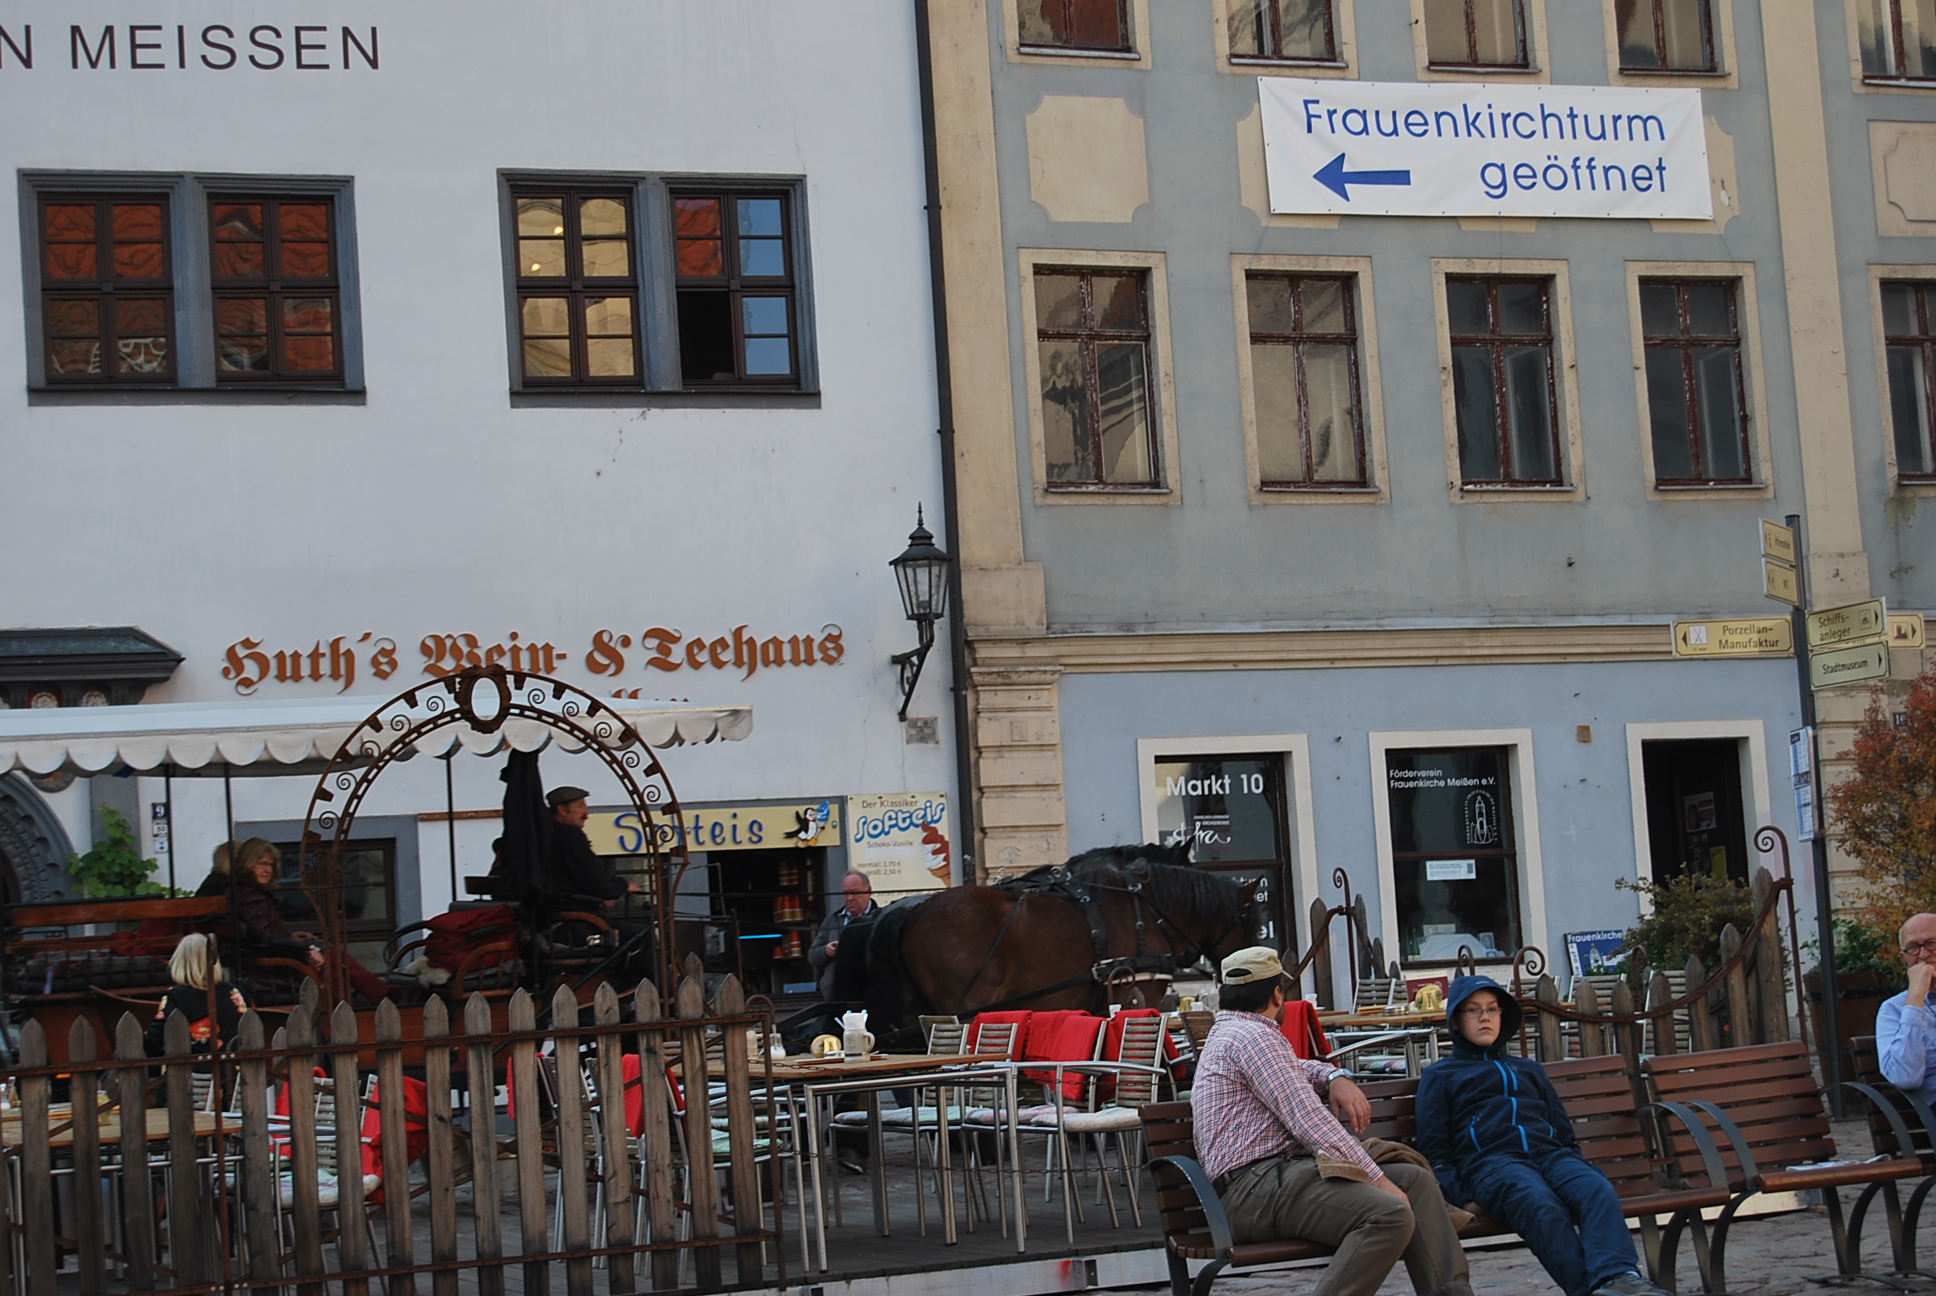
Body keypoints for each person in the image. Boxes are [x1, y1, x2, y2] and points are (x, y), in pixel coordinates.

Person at [1192, 946, 1472, 1296]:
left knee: (1415, 1181)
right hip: (1255, 1191)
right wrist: (1379, 1181)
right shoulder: (1254, 1038)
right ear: (1277, 993)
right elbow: (1310, 1122)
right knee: (1388, 1214)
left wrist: (1335, 1076)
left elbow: (1296, 1069)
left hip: (1272, 1181)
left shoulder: (1236, 1032)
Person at [1415, 977, 1668, 1296]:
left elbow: (1562, 1131)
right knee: (1538, 1203)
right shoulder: (1441, 1076)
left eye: (1492, 1009)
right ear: (1455, 1020)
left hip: (1551, 1157)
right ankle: (1589, 1290)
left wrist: (1573, 1164)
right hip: (1494, 1165)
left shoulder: (1529, 1070)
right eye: (1474, 1010)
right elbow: (1435, 1151)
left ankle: (1619, 1277)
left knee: (1596, 1188)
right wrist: (1462, 1198)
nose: (1485, 1018)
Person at [229, 837, 390, 1005]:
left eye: (271, 865)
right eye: (262, 864)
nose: (267, 870)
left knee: (333, 959)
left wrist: (291, 939)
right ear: (248, 863)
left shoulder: (248, 892)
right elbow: (267, 938)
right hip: (271, 969)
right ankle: (378, 998)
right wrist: (305, 950)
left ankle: (358, 1004)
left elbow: (263, 934)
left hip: (272, 962)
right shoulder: (251, 896)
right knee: (333, 958)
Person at [544, 786, 651, 970]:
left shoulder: (544, 834)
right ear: (562, 810)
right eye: (580, 806)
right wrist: (623, 886)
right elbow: (594, 878)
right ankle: (645, 985)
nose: (586, 813)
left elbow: (572, 879)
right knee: (645, 935)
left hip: (556, 919)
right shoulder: (569, 834)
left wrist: (601, 897)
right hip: (577, 923)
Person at [144, 933, 254, 1057]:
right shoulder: (238, 992)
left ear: (180, 963)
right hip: (238, 1067)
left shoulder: (176, 996)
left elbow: (153, 1042)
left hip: (194, 1067)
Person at [1878, 912, 1936, 1109]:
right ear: (1904, 958)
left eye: (1931, 943)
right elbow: (1905, 1077)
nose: (1923, 955)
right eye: (1913, 948)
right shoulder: (1892, 1010)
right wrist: (1916, 996)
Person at [809, 871, 878, 999]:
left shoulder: (881, 919)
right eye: (845, 893)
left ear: (869, 891)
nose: (850, 898)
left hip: (871, 994)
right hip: (837, 996)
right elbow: (813, 956)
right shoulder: (832, 920)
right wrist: (826, 951)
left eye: (855, 892)